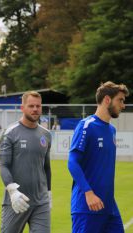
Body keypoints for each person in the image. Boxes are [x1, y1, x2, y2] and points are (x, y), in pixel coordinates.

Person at [68, 81, 129, 233]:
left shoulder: (112, 130)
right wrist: (88, 193)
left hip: (109, 206)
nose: (123, 105)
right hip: (87, 206)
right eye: (120, 100)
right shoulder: (86, 126)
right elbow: (73, 162)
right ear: (107, 100)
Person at [0, 91, 52, 233]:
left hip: (41, 202)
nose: (35, 109)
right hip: (16, 200)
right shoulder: (10, 132)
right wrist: (12, 191)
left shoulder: (46, 134)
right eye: (31, 106)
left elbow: (46, 166)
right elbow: (3, 165)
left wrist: (49, 192)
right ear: (22, 108)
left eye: (38, 106)